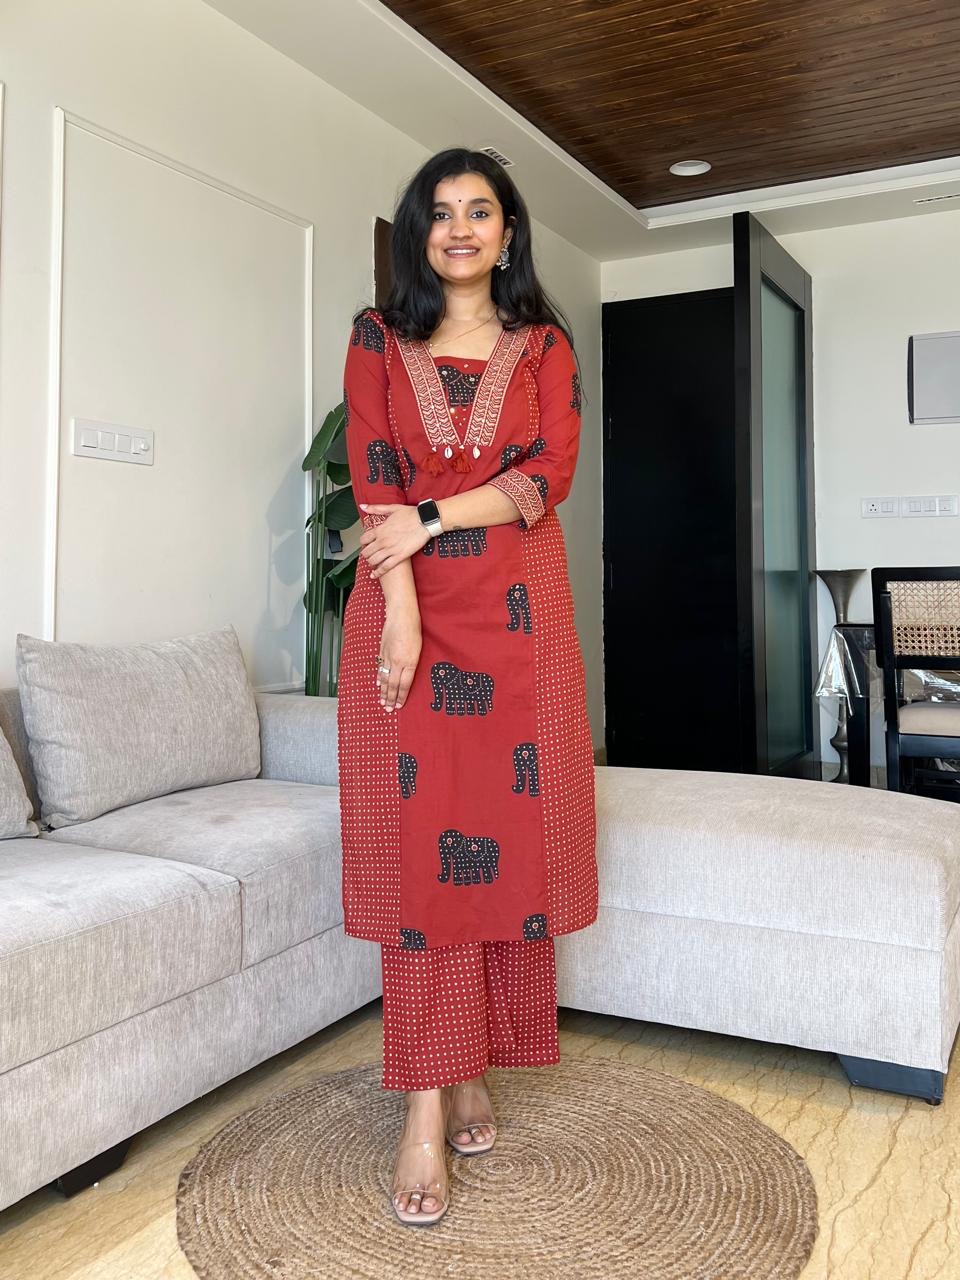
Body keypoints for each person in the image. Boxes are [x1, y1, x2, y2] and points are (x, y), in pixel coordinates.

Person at [336, 147, 597, 1226]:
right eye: (438, 213)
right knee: (423, 859)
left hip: (518, 620)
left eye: (478, 211)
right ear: (418, 232)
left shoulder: (543, 344)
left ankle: (474, 1058)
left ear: (507, 231)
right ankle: (423, 1107)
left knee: (503, 841)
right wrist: (401, 607)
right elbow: (374, 470)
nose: (458, 229)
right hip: (408, 618)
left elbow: (548, 475)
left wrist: (436, 517)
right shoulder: (377, 336)